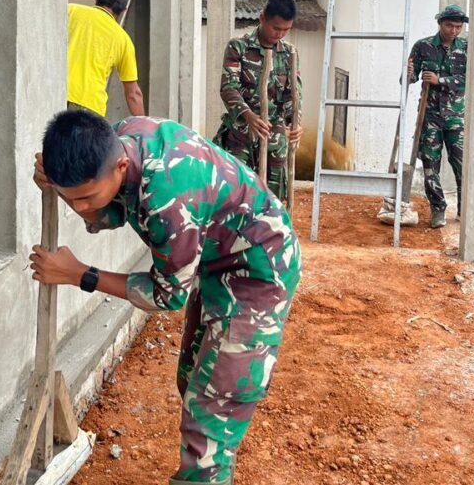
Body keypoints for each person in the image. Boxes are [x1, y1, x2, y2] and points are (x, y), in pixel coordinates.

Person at [30, 110, 301, 485]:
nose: (79, 208)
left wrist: (82, 275)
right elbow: (116, 208)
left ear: (120, 165)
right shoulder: (122, 139)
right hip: (217, 261)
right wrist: (55, 183)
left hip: (259, 271)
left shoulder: (168, 198)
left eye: (86, 197)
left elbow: (168, 294)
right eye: (69, 197)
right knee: (192, 375)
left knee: (213, 404)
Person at [214, 0, 303, 204]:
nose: (280, 34)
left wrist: (296, 122)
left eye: (286, 30)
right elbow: (228, 88)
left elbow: (294, 94)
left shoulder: (290, 53)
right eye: (276, 28)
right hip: (241, 137)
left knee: (272, 200)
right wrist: (248, 116)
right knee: (236, 193)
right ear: (262, 18)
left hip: (275, 141)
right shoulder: (239, 47)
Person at [406, 4, 468, 229]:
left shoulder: (467, 48)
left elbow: (470, 78)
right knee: (431, 166)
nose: (453, 31)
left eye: (458, 27)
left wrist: (440, 80)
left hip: (456, 118)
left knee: (462, 165)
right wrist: (410, 74)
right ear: (440, 24)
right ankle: (438, 209)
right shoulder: (423, 47)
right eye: (449, 25)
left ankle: (464, 208)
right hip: (430, 116)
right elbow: (409, 79)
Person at [66, 0, 144, 116]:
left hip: (55, 95)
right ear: (123, 10)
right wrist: (144, 127)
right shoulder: (123, 40)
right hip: (89, 108)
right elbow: (133, 94)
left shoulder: (70, 11)